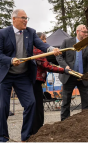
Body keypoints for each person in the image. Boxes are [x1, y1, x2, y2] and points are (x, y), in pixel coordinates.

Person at [0, 9, 61, 142]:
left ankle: (26, 136)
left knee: (31, 103)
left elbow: (41, 44)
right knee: (3, 107)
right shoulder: (3, 33)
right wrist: (10, 60)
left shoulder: (30, 32)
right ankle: (2, 136)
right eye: (23, 18)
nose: (26, 20)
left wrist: (51, 50)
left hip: (23, 76)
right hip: (6, 76)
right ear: (14, 19)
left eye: (27, 18)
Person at [32, 32, 69, 135]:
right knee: (38, 107)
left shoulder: (35, 50)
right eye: (43, 40)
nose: (45, 42)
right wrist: (63, 70)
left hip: (36, 81)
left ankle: (36, 129)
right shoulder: (38, 50)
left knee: (36, 106)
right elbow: (47, 66)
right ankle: (36, 130)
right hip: (35, 81)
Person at [56, 24, 88, 121]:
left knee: (86, 101)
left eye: (87, 32)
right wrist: (65, 66)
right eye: (83, 32)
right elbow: (59, 56)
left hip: (83, 76)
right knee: (66, 101)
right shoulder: (67, 42)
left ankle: (86, 121)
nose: (86, 34)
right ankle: (64, 122)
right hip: (69, 76)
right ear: (77, 32)